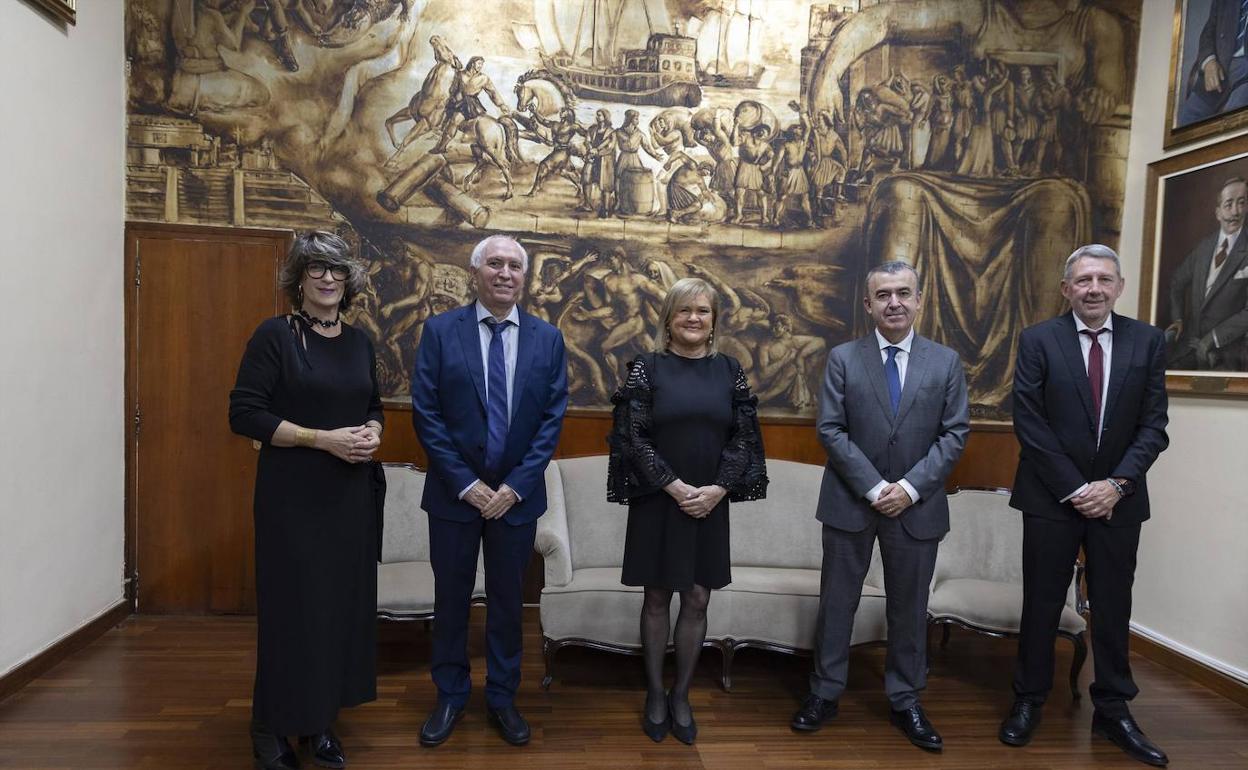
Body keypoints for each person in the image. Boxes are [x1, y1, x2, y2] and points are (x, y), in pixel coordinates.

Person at [1000, 244, 1170, 768]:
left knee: (1114, 605)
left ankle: (1114, 709)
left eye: (1103, 279)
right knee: (1043, 602)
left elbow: (1154, 425)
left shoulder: (1148, 341)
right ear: (1066, 289)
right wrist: (1077, 489)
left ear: (1118, 287)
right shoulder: (1037, 341)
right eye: (1083, 280)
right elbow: (1029, 423)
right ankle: (1029, 701)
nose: (1093, 288)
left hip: (1119, 502)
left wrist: (1116, 484)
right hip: (1052, 497)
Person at [792, 260, 969, 752]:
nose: (894, 302)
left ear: (918, 300)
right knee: (837, 605)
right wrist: (875, 488)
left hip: (918, 508)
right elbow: (830, 429)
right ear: (868, 304)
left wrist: (909, 489)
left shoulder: (945, 362)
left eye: (903, 293)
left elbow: (954, 434)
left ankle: (906, 700)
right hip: (851, 503)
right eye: (884, 294)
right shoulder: (844, 358)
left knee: (909, 610)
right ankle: (824, 693)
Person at [229, 231, 384, 770]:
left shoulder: (361, 343)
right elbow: (244, 414)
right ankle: (269, 726)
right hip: (292, 499)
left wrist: (371, 431)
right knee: (292, 612)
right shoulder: (274, 336)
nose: (326, 278)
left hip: (349, 499)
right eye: (315, 268)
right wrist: (323, 439)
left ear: (349, 281)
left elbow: (372, 405)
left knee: (335, 613)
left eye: (336, 270)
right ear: (299, 279)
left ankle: (318, 724)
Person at [410, 234, 569, 748]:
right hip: (455, 499)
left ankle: (502, 698)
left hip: (516, 503)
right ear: (476, 272)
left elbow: (551, 420)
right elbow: (427, 414)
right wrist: (469, 485)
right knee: (451, 600)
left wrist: (514, 488)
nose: (505, 273)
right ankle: (451, 695)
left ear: (525, 277)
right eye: (495, 264)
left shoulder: (548, 338)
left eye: (515, 266)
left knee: (506, 604)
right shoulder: (439, 331)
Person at [608, 277, 767, 745]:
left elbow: (743, 436)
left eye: (702, 311)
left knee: (698, 597)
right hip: (660, 499)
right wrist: (676, 487)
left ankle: (682, 694)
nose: (693, 318)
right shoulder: (646, 368)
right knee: (656, 597)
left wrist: (717, 489)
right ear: (668, 319)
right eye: (684, 311)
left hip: (709, 503)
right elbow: (632, 438)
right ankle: (655, 693)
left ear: (714, 320)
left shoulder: (730, 370)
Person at [1166, 175, 1248, 370]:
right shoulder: (1204, 247)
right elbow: (1177, 282)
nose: (1236, 212)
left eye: (1242, 203)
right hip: (1189, 345)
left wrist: (1213, 338)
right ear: (1218, 212)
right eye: (1228, 205)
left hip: (1229, 353)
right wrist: (1177, 319)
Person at [1178, 0, 1248, 126]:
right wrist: (1209, 61)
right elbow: (1208, 32)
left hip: (1245, 72)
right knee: (1186, 120)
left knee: (1233, 124)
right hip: (1220, 67)